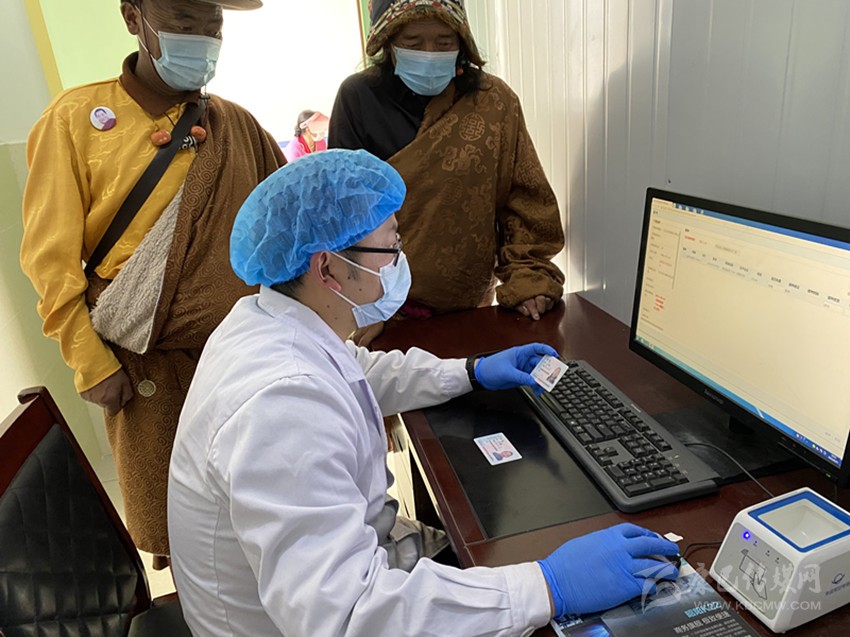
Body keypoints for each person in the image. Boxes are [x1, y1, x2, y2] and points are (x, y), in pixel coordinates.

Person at [168, 149, 680, 636]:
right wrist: (548, 586)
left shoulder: (268, 321)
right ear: (328, 269)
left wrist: (471, 371)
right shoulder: (281, 404)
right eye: (390, 245)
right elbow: (350, 617)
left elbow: (356, 371)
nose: (399, 259)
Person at [19, 0, 283, 567]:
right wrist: (91, 363)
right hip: (146, 362)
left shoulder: (236, 125)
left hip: (246, 359)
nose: (202, 40)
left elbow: (288, 222)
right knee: (188, 531)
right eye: (184, 24)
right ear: (133, 18)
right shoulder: (73, 120)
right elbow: (49, 261)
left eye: (213, 27)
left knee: (267, 511)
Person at [329, 0, 565, 341]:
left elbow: (525, 203)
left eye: (444, 42)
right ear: (388, 42)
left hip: (472, 309)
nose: (429, 54)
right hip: (383, 314)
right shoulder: (358, 98)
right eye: (412, 42)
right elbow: (344, 213)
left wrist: (528, 279)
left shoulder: (495, 101)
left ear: (463, 42)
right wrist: (369, 306)